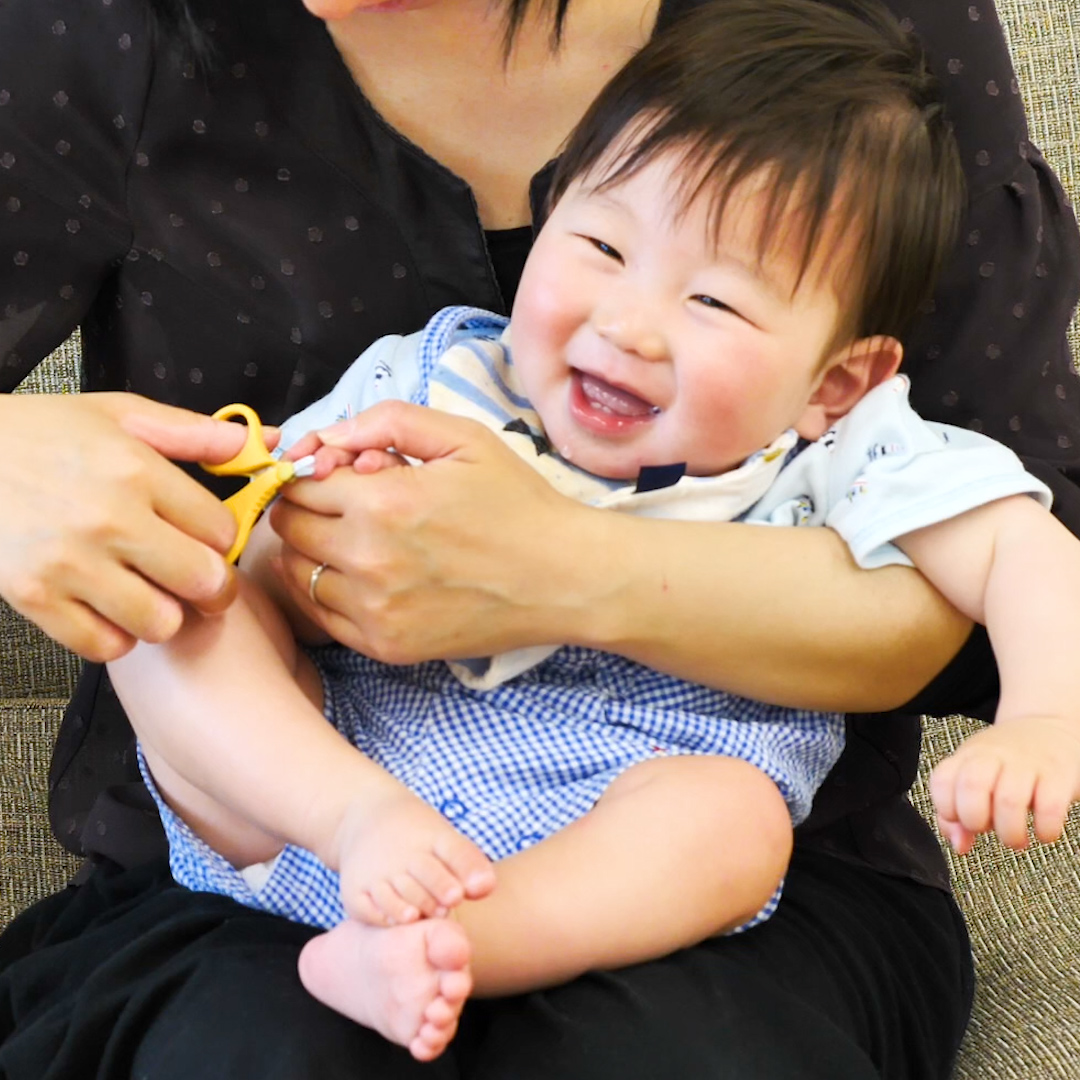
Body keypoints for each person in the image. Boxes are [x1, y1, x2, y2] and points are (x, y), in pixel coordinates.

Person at [0, 0, 1077, 1076]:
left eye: (714, 301)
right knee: (174, 601)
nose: (626, 325)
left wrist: (1044, 716)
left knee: (730, 822)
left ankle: (456, 945)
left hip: (636, 854)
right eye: (600, 245)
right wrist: (269, 547)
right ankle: (362, 830)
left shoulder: (858, 445)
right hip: (317, 802)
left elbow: (1029, 548)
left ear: (838, 379)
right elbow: (257, 523)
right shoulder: (443, 369)